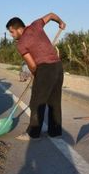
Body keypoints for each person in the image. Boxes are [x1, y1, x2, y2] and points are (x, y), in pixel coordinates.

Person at [6, 13, 66, 141]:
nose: (11, 35)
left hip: (45, 69)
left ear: (18, 29)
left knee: (36, 102)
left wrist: (34, 73)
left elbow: (32, 65)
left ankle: (33, 134)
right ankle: (55, 132)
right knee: (54, 102)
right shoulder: (36, 25)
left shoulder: (21, 44)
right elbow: (50, 15)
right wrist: (60, 22)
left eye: (12, 32)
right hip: (58, 66)